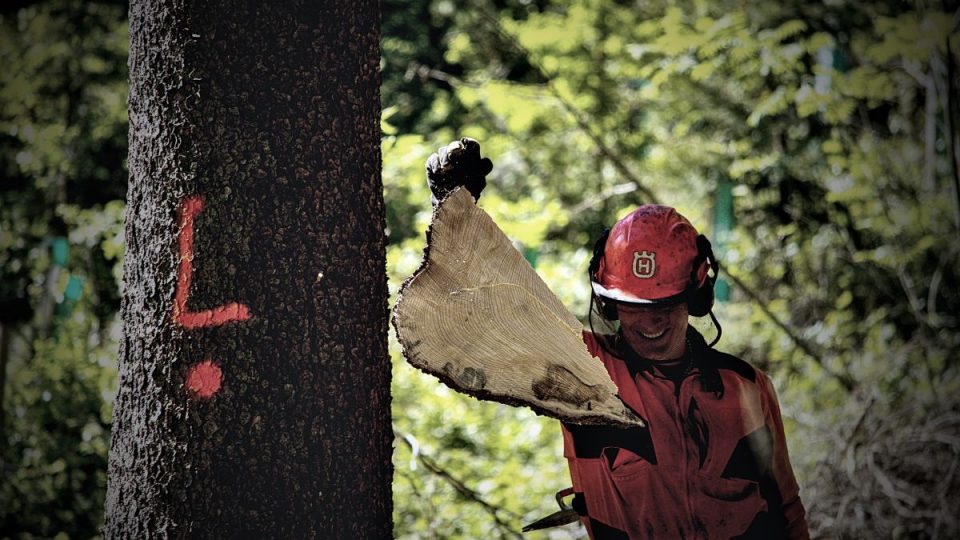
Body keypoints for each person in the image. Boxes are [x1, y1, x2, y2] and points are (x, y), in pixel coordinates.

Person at [426, 138, 809, 539]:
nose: (649, 320)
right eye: (632, 304)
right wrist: (453, 211)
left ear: (695, 297)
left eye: (666, 302)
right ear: (608, 303)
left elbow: (786, 509)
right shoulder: (584, 369)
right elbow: (478, 319)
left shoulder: (746, 388)